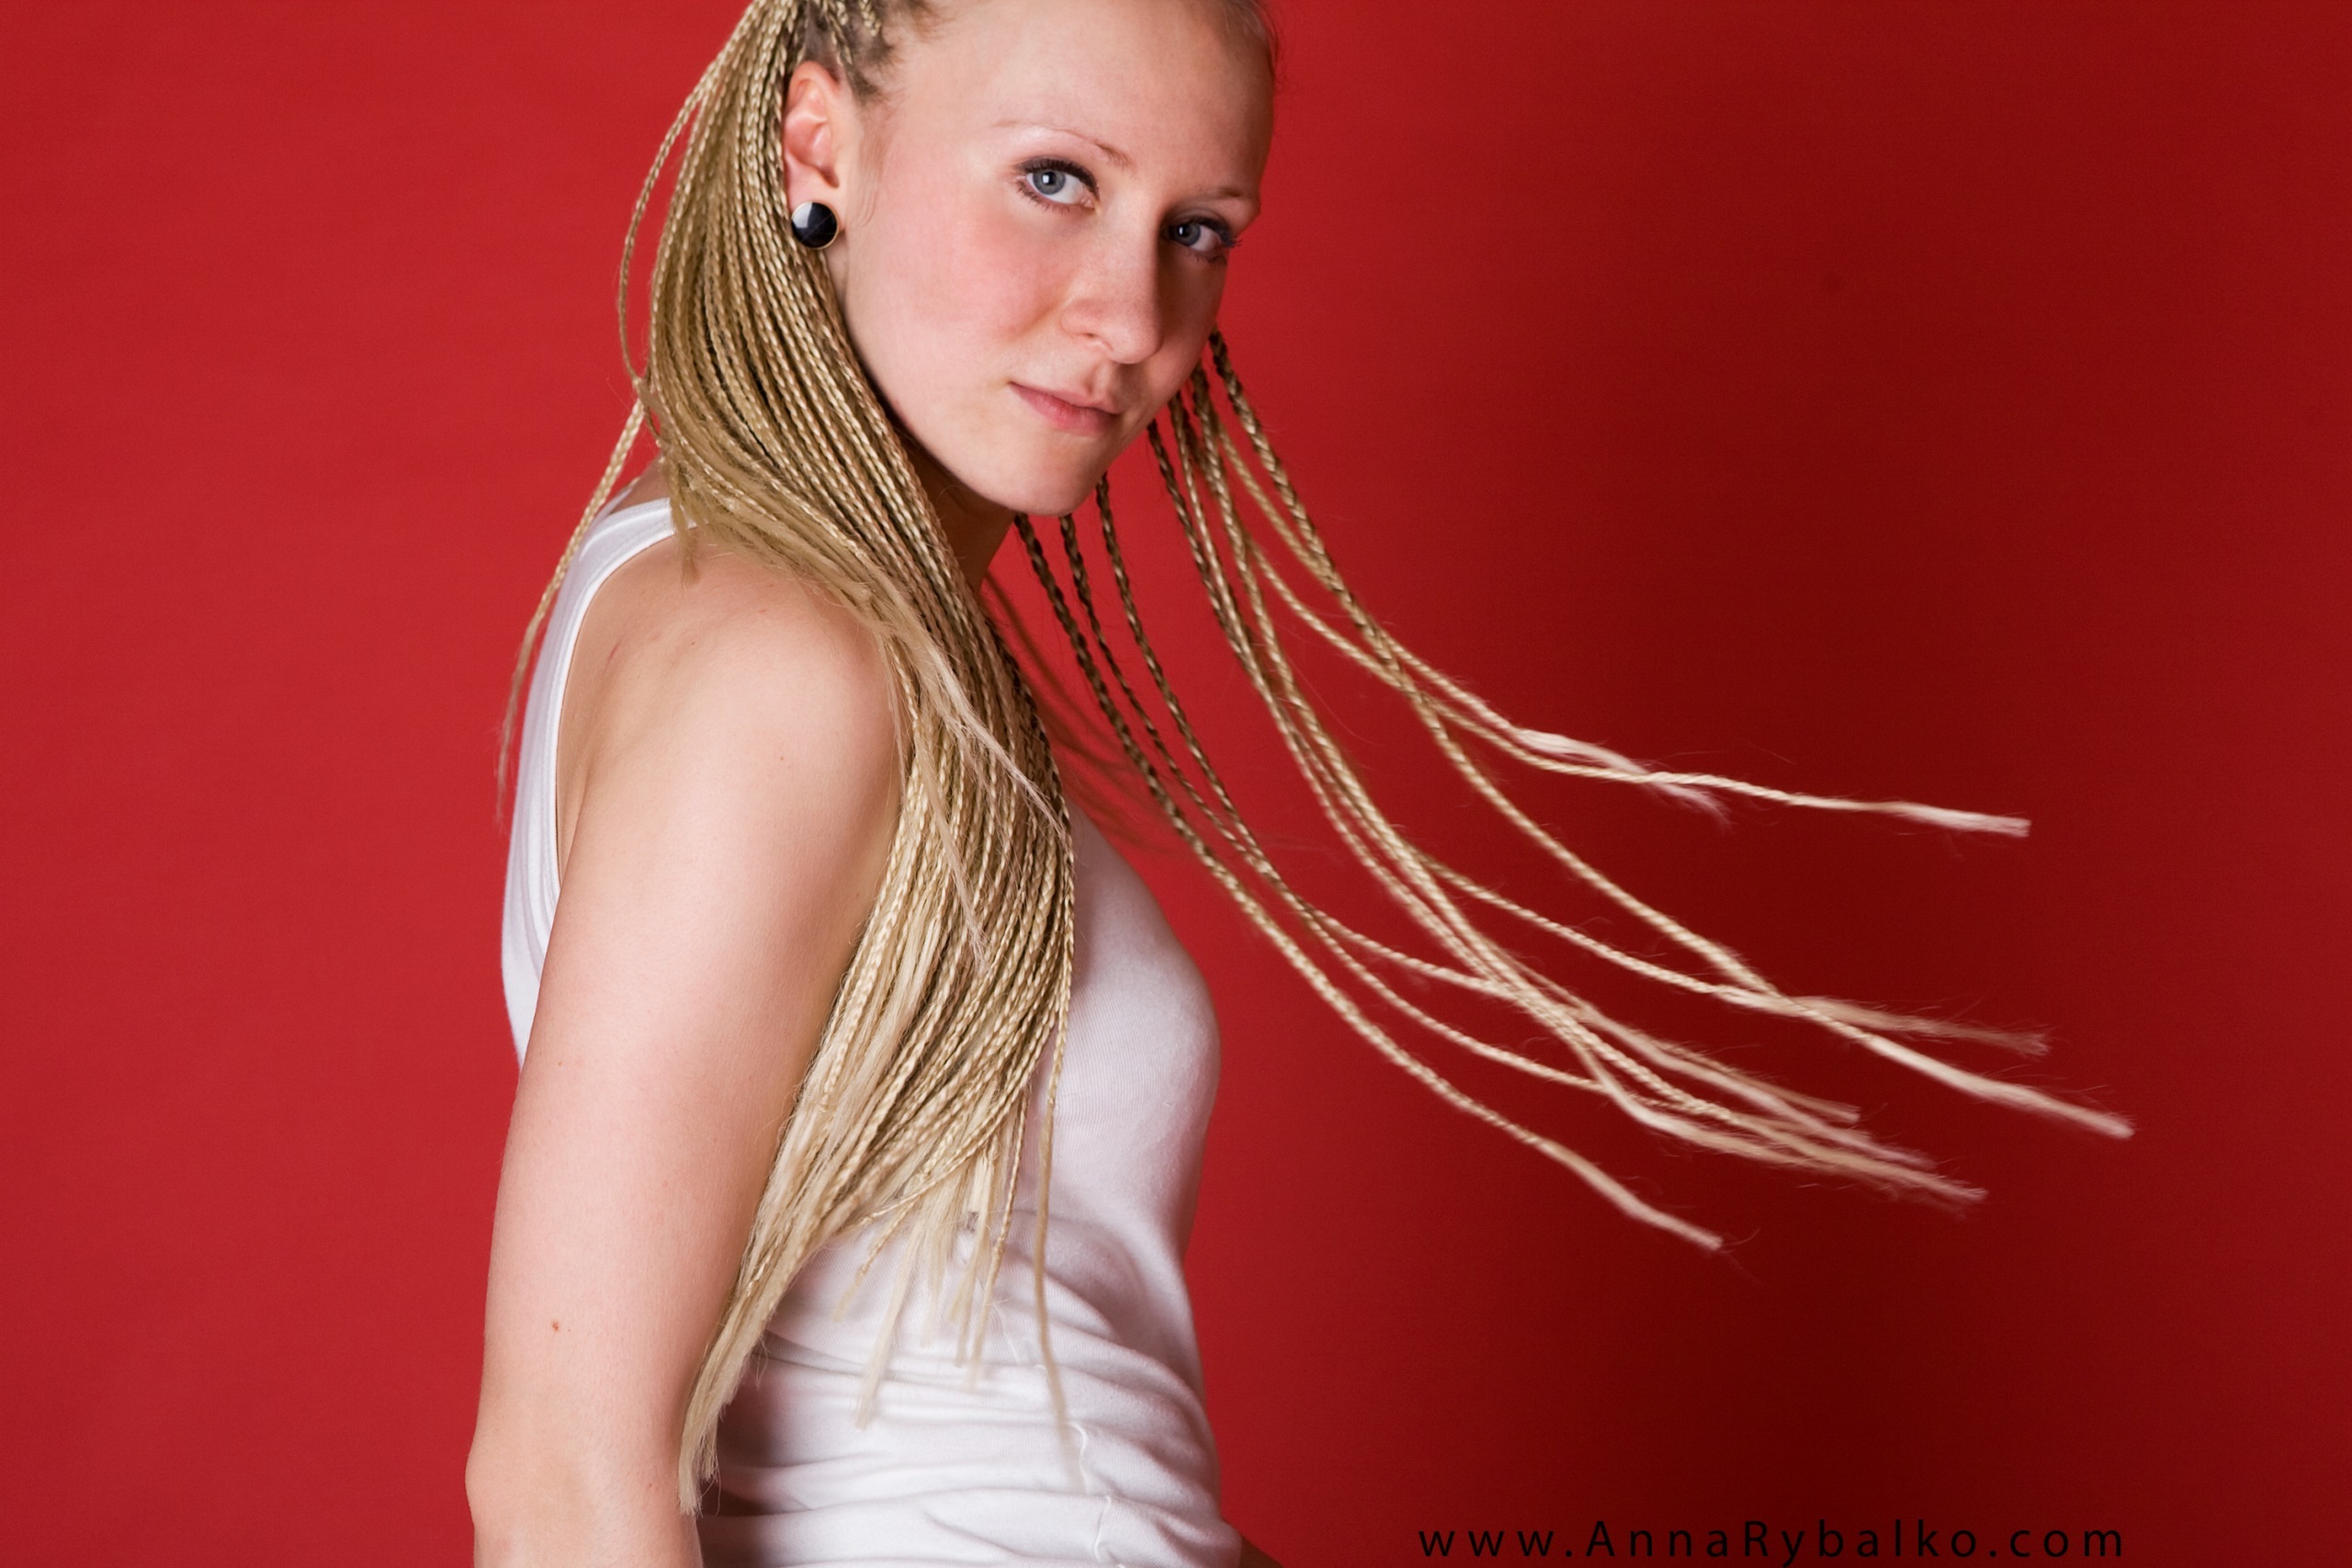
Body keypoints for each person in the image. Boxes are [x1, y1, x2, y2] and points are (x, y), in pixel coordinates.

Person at [467, 2, 2128, 1564]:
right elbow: (561, 1480)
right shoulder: (780, 662)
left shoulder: (758, 607)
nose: (1136, 320)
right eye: (1056, 180)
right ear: (819, 144)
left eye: (1198, 230)